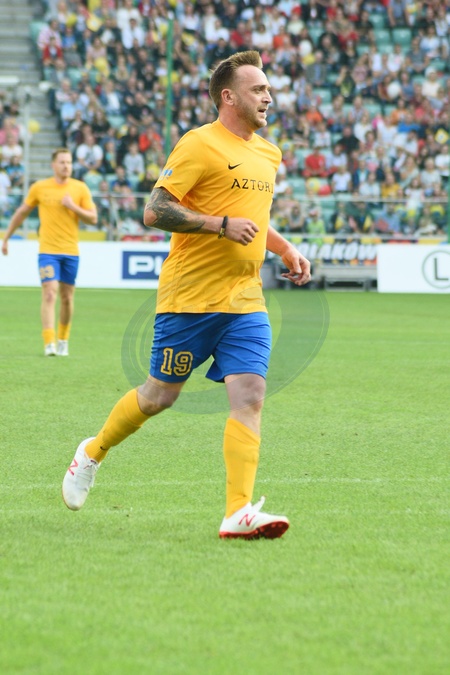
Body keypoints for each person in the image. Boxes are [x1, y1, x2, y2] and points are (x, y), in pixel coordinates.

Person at [62, 51, 311, 540]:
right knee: (159, 396)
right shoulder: (198, 143)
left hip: (245, 299)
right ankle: (91, 453)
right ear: (229, 96)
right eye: (258, 89)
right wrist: (218, 225)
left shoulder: (269, 153)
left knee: (250, 396)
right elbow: (155, 211)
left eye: (268, 89)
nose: (268, 96)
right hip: (189, 299)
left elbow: (252, 217)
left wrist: (283, 248)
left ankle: (237, 512)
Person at [1, 148, 97, 356]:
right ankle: (49, 342)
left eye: (69, 162)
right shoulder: (40, 188)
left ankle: (63, 339)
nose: (66, 166)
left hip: (70, 251)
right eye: (62, 162)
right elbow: (22, 212)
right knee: (50, 292)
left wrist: (73, 207)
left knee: (67, 298)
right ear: (53, 165)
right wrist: (6, 237)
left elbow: (93, 218)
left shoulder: (80, 188)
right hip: (48, 251)